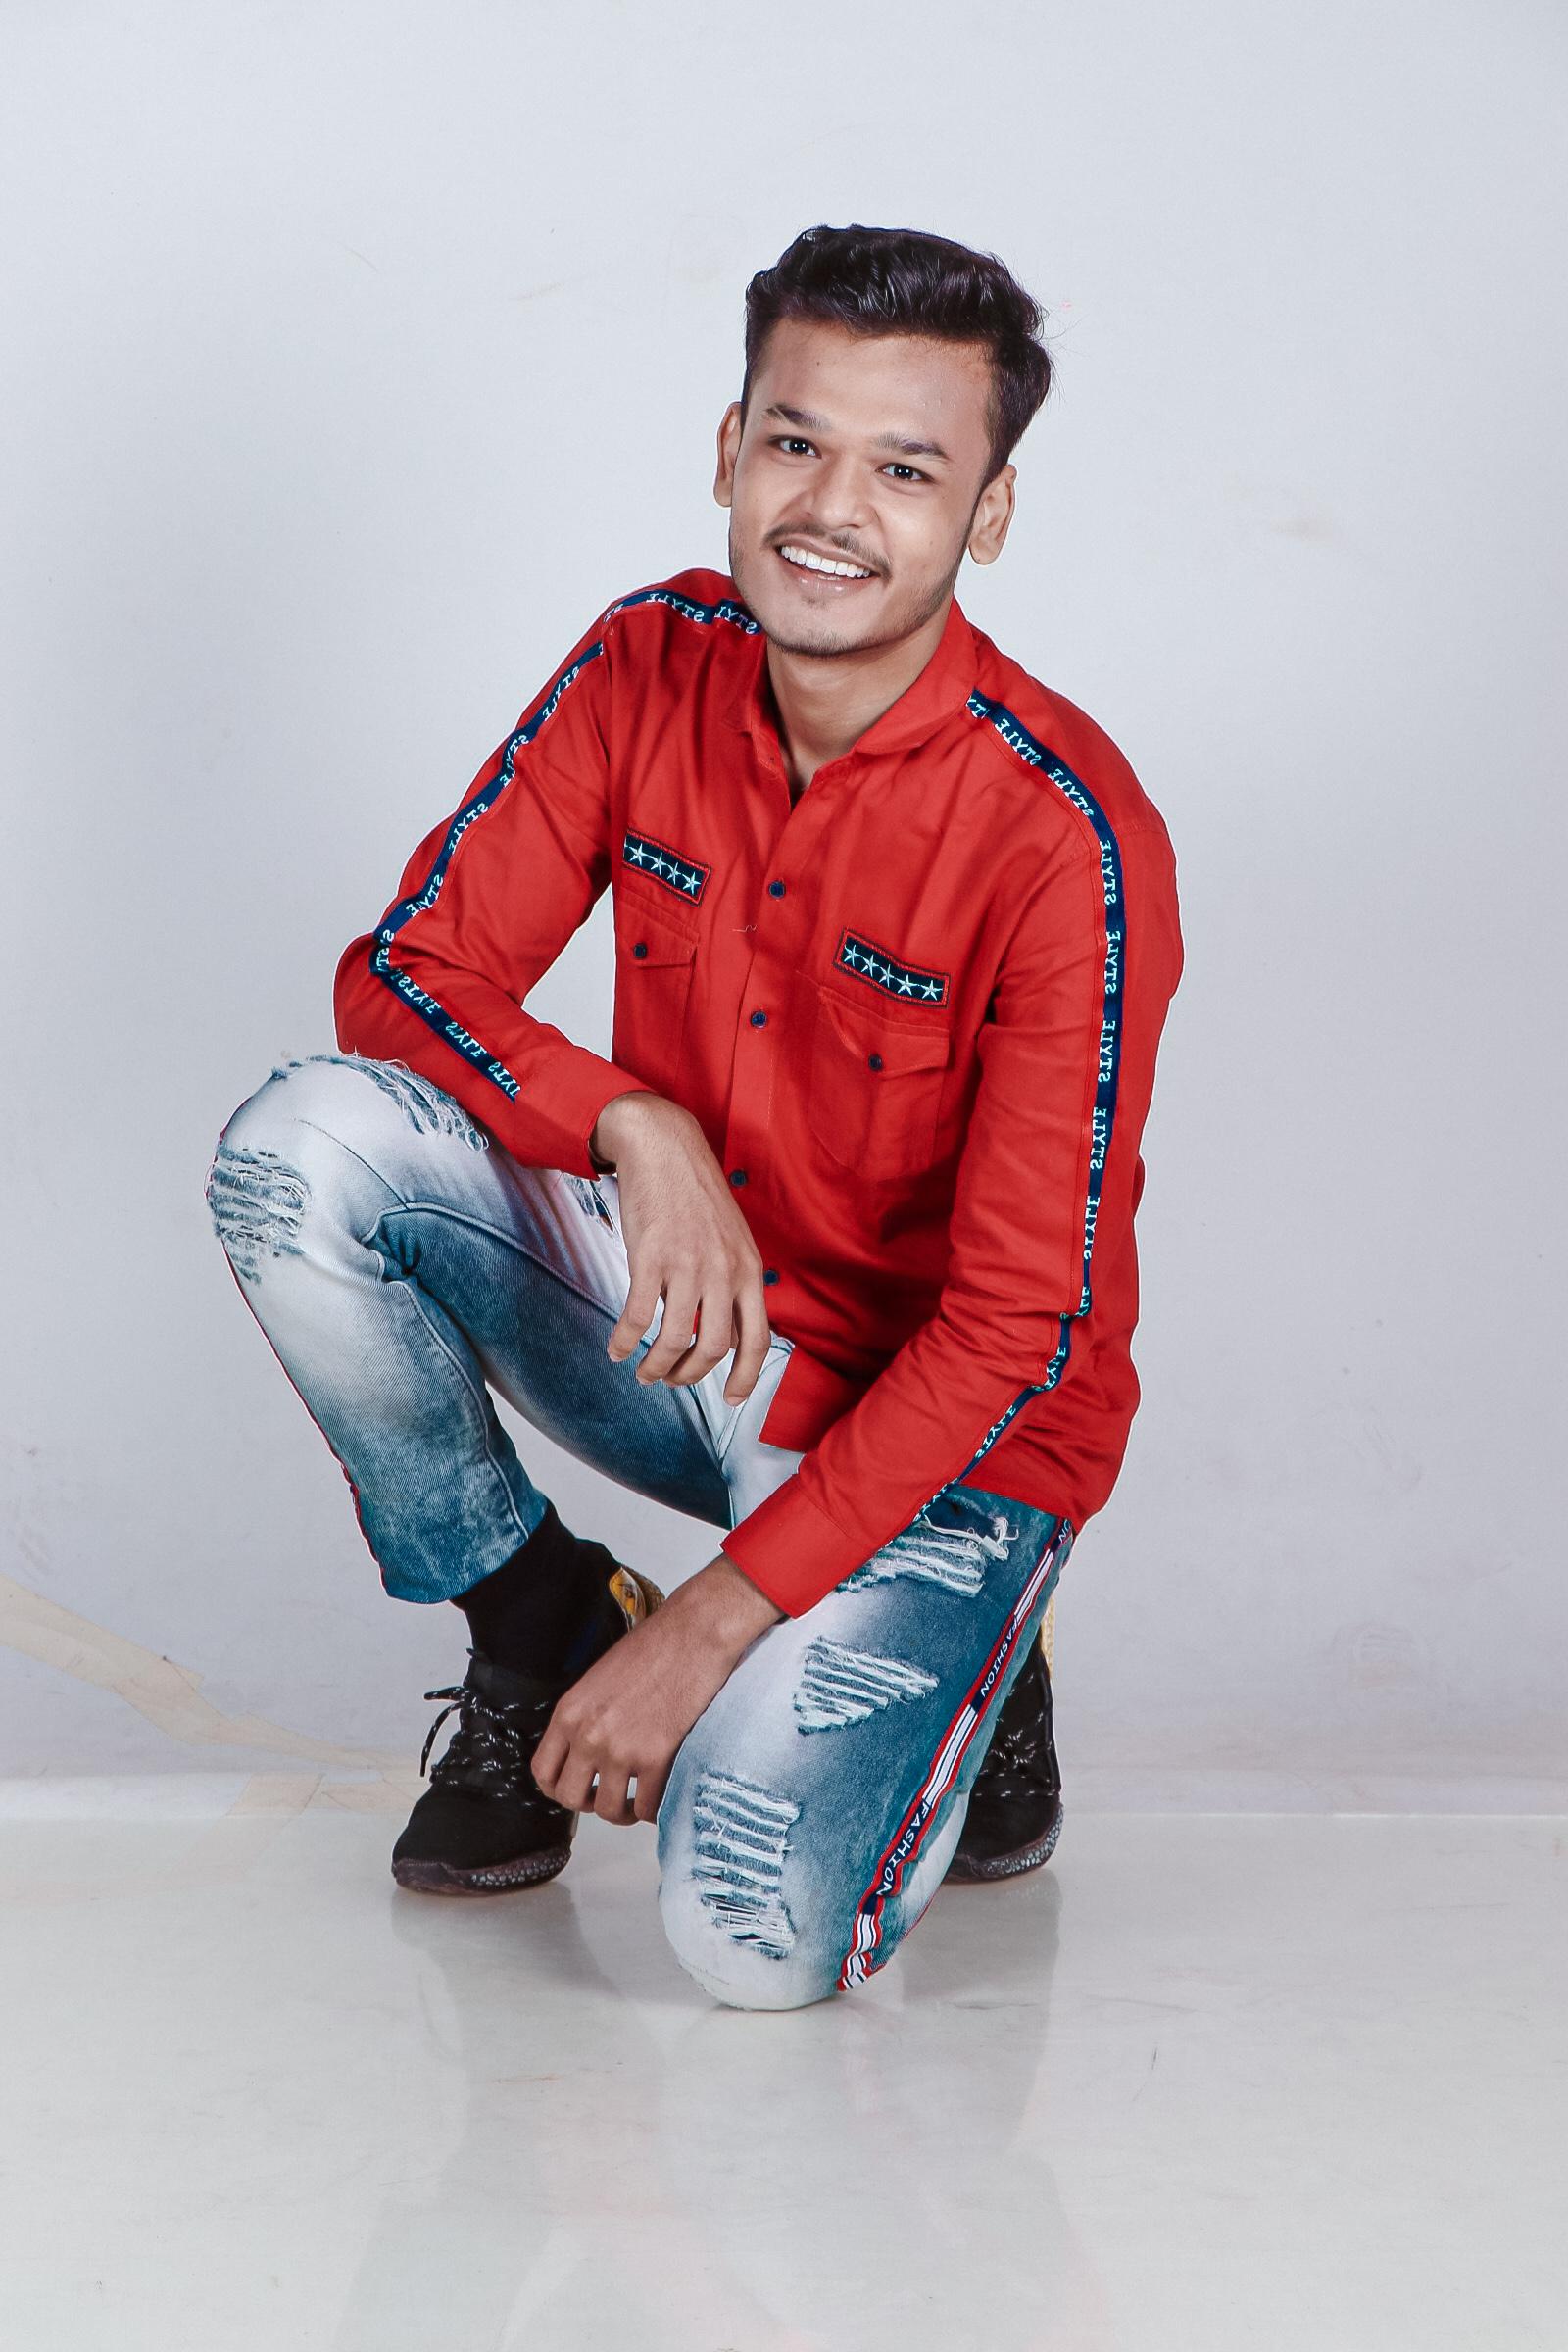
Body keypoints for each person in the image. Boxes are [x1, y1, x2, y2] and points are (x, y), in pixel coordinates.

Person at [209, 224, 1182, 2010]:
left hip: (942, 1432)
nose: (833, 508)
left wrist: (721, 1623)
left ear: (990, 515)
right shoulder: (646, 658)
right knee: (300, 1158)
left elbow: (1020, 1330)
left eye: (907, 470)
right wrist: (630, 1122)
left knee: (746, 1938)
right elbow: (408, 975)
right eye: (797, 441)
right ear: (730, 446)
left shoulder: (1068, 839)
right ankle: (537, 1625)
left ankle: (979, 1649)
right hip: (690, 1328)